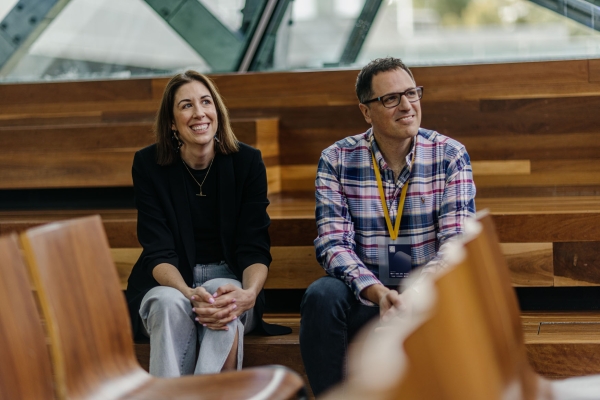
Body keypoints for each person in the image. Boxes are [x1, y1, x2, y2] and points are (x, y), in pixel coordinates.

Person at [299, 57, 477, 396]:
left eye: (412, 93)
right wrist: (378, 293)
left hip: (428, 296)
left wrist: (411, 297)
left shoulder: (449, 155)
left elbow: (455, 243)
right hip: (367, 295)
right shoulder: (336, 159)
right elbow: (332, 243)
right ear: (366, 112)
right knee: (321, 296)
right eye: (391, 98)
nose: (407, 106)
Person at [125, 70, 289, 377]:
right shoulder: (148, 165)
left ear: (217, 111)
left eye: (205, 102)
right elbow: (157, 250)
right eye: (186, 105)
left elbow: (254, 245)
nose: (199, 112)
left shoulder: (247, 162)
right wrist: (187, 292)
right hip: (171, 280)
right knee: (165, 302)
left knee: (223, 299)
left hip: (232, 276)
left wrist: (250, 295)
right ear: (172, 122)